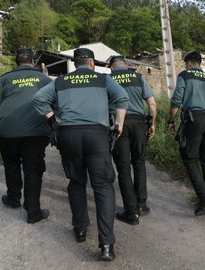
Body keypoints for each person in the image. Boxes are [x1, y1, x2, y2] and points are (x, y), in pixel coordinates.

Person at [33, 48, 129, 261]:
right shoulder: (103, 79)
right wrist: (118, 124)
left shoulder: (61, 81)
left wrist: (51, 119)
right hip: (97, 135)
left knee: (76, 183)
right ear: (92, 64)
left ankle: (80, 229)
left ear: (76, 64)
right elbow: (122, 98)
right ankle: (106, 245)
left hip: (69, 135)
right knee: (103, 186)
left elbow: (39, 99)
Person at [0, 48, 52, 224]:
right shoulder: (44, 80)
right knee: (33, 170)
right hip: (35, 133)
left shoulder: (4, 80)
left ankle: (13, 198)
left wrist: (1, 124)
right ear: (33, 62)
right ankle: (33, 211)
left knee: (11, 164)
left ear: (16, 62)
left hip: (8, 132)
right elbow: (56, 105)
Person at [167, 51, 205, 216]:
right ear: (199, 63)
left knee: (189, 158)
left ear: (188, 63)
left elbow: (176, 100)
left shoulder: (185, 75)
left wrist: (171, 120)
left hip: (194, 119)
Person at [108, 56, 157, 225]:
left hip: (119, 124)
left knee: (123, 167)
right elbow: (152, 105)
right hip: (139, 123)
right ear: (127, 66)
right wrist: (152, 125)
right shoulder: (139, 77)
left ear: (112, 68)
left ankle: (131, 211)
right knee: (139, 163)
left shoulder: (108, 79)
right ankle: (142, 204)